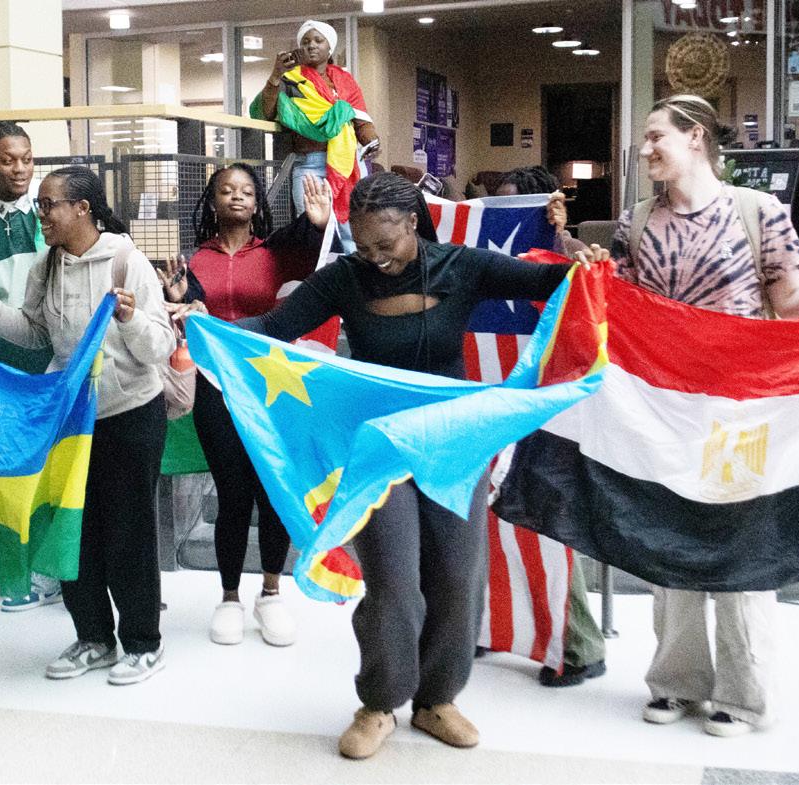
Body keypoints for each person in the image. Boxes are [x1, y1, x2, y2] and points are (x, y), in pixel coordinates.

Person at [238, 172, 579, 760]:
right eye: (363, 244)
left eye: (387, 244)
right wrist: (203, 324)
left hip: (454, 445)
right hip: (381, 450)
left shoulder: (463, 266)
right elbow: (271, 330)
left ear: (414, 225)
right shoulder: (345, 277)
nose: (375, 258)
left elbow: (556, 281)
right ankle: (379, 703)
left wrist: (576, 250)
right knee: (393, 583)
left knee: (458, 577)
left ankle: (436, 700)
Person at [610, 94, 799, 738]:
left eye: (656, 136)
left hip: (740, 407)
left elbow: (790, 305)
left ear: (695, 137)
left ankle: (743, 693)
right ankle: (675, 681)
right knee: (670, 540)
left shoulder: (759, 210)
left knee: (741, 546)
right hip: (665, 407)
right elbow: (623, 311)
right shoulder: (635, 221)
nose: (646, 149)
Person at [0, 166, 176, 685]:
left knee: (128, 533)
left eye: (49, 205)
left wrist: (129, 319)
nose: (41, 215)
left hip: (130, 415)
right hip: (71, 421)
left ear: (83, 208)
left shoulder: (127, 262)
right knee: (73, 531)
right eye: (40, 205)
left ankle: (142, 643)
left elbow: (161, 347)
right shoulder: (47, 264)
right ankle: (94, 639)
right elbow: (35, 333)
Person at [162, 165, 331, 647]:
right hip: (216, 387)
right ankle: (230, 598)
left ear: (258, 203)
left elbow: (324, 263)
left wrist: (319, 225)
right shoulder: (196, 260)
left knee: (273, 489)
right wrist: (178, 299)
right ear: (212, 202)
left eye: (246, 191)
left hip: (275, 387)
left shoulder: (278, 253)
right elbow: (190, 319)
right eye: (226, 191)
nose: (237, 197)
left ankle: (272, 593)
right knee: (233, 493)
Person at [489, 165, 606, 688]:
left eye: (515, 206)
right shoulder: (484, 258)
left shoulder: (566, 257)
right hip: (499, 394)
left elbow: (586, 291)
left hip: (549, 407)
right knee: (493, 520)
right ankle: (492, 623)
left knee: (546, 526)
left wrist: (561, 237)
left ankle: (579, 645)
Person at [0, 120, 63, 611]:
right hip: (4, 364)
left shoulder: (51, 213)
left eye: (26, 158)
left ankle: (56, 565)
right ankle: (21, 569)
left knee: (55, 465)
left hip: (56, 356)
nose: (19, 169)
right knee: (14, 466)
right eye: (7, 160)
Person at [253, 19, 378, 251]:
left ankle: (351, 271)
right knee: (312, 231)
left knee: (350, 230)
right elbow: (265, 112)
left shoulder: (345, 81)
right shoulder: (290, 80)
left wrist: (371, 141)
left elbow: (360, 117)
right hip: (308, 165)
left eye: (318, 40)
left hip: (347, 164)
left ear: (330, 47)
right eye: (306, 41)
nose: (311, 45)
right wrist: (276, 75)